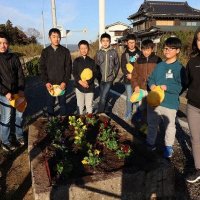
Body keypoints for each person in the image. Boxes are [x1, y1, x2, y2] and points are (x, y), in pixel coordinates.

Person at [146, 37, 185, 158]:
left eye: (170, 48)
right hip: (155, 101)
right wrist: (151, 85)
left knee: (170, 126)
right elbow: (151, 78)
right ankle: (150, 143)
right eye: (165, 48)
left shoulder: (180, 68)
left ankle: (168, 147)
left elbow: (181, 86)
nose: (166, 50)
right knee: (152, 123)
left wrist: (167, 87)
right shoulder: (160, 65)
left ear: (177, 50)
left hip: (170, 103)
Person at [0, 32, 25, 151]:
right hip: (4, 95)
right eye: (0, 43)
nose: (2, 45)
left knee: (19, 115)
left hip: (17, 92)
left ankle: (18, 136)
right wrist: (5, 92)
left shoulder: (14, 57)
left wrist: (21, 89)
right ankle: (5, 141)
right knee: (7, 117)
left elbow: (20, 74)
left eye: (5, 43)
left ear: (8, 44)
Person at [40, 28, 72, 118]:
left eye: (58, 37)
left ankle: (63, 120)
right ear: (49, 38)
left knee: (62, 104)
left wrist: (65, 82)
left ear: (60, 38)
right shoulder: (45, 52)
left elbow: (68, 68)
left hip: (62, 84)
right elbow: (42, 68)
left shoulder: (65, 51)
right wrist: (46, 82)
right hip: (50, 84)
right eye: (54, 37)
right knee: (50, 104)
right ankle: (52, 123)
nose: (56, 39)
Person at [131, 39, 162, 122]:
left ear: (152, 49)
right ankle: (144, 128)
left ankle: (152, 128)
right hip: (142, 89)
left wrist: (158, 87)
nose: (146, 52)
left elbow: (161, 75)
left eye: (148, 50)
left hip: (153, 90)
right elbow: (134, 75)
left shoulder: (158, 60)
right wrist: (135, 86)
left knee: (153, 110)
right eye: (144, 49)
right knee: (142, 109)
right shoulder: (138, 60)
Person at [185, 27, 200, 183]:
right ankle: (198, 168)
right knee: (196, 139)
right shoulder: (193, 61)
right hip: (193, 106)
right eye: (199, 39)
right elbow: (185, 82)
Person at [96, 32, 119, 113]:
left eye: (107, 41)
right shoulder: (99, 53)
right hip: (101, 79)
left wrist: (113, 76)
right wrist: (98, 76)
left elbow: (117, 65)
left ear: (110, 42)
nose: (105, 42)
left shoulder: (114, 52)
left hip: (109, 79)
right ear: (101, 42)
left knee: (103, 97)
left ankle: (100, 113)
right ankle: (105, 108)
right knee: (103, 95)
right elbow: (96, 65)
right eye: (103, 41)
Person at [72, 40, 96, 114]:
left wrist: (87, 82)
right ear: (79, 49)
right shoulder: (76, 61)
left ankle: (89, 123)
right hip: (79, 86)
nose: (84, 50)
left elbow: (94, 73)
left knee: (89, 105)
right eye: (82, 48)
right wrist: (80, 82)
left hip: (90, 86)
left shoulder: (92, 61)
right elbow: (74, 73)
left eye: (85, 48)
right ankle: (80, 123)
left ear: (88, 49)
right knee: (80, 106)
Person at [121, 34, 141, 121]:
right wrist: (127, 74)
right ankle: (129, 112)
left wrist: (136, 76)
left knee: (137, 97)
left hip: (138, 80)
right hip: (128, 79)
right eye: (130, 42)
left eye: (133, 42)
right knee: (129, 97)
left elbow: (142, 66)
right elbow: (123, 67)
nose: (131, 44)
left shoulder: (140, 53)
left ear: (135, 42)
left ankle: (138, 114)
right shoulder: (124, 54)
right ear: (127, 43)